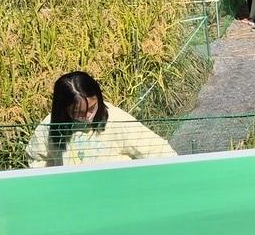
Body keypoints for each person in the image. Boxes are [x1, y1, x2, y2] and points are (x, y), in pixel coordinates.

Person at [25, 71, 176, 168]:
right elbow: (36, 158)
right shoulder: (49, 126)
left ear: (98, 97)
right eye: (78, 112)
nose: (88, 116)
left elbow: (158, 151)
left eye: (91, 108)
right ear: (63, 109)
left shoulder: (116, 120)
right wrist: (56, 185)